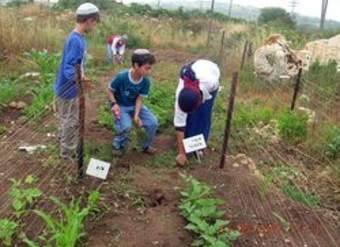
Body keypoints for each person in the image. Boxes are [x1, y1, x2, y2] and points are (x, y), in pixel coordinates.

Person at [54, 3, 100, 159]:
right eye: (95, 22)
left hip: (65, 87)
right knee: (71, 121)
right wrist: (79, 81)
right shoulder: (76, 40)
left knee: (65, 118)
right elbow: (68, 68)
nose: (94, 25)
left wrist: (82, 75)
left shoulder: (77, 37)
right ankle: (67, 152)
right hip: (69, 90)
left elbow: (75, 65)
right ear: (88, 20)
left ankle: (62, 141)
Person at [108, 49, 158, 155]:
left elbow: (140, 99)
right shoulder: (122, 77)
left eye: (150, 68)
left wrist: (136, 115)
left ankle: (145, 145)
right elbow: (110, 91)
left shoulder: (145, 81)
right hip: (120, 106)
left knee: (152, 122)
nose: (149, 71)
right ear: (136, 65)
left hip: (135, 106)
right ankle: (117, 145)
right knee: (126, 127)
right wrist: (114, 104)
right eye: (147, 68)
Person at [174, 59, 220, 166]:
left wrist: (203, 104)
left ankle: (200, 146)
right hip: (196, 71)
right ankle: (188, 143)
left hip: (211, 70)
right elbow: (179, 125)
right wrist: (181, 153)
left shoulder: (211, 82)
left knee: (204, 114)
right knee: (190, 116)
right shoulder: (180, 95)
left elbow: (204, 108)